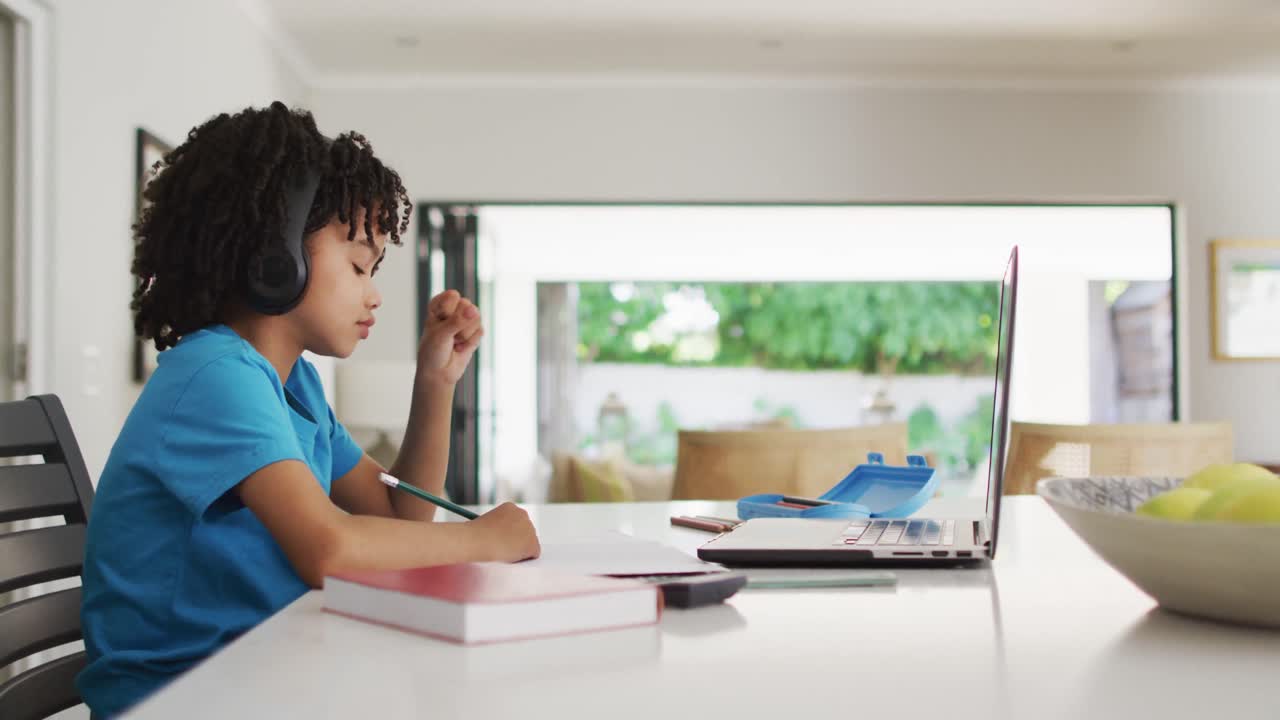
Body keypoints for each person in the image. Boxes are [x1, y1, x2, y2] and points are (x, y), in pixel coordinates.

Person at [76, 101, 540, 718]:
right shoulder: (218, 376)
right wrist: (482, 540)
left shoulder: (294, 387)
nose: (374, 293)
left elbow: (400, 518)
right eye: (357, 264)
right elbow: (331, 551)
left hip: (264, 675)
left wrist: (435, 382)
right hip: (182, 698)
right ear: (276, 254)